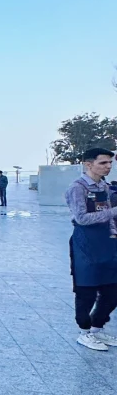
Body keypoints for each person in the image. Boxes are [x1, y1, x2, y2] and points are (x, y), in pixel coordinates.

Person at [65, 146, 117, 351]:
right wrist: (113, 212)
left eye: (110, 163)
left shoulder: (103, 187)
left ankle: (97, 328)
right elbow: (82, 218)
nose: (108, 167)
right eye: (103, 163)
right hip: (85, 244)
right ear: (88, 164)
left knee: (111, 288)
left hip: (107, 242)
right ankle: (84, 332)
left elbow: (108, 216)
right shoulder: (77, 188)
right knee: (86, 289)